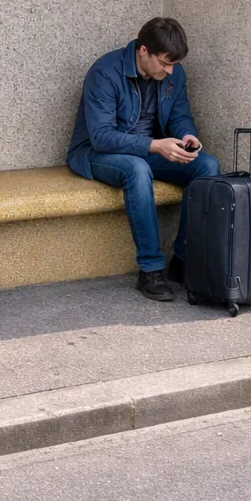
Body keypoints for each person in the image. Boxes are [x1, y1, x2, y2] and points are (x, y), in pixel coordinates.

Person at [67, 16, 221, 302]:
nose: (170, 70)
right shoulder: (105, 73)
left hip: (149, 150)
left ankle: (182, 262)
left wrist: (189, 137)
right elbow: (101, 136)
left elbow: (180, 116)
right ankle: (150, 269)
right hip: (97, 153)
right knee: (136, 170)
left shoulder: (174, 74)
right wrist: (154, 145)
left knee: (208, 166)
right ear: (143, 51)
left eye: (173, 64)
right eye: (164, 63)